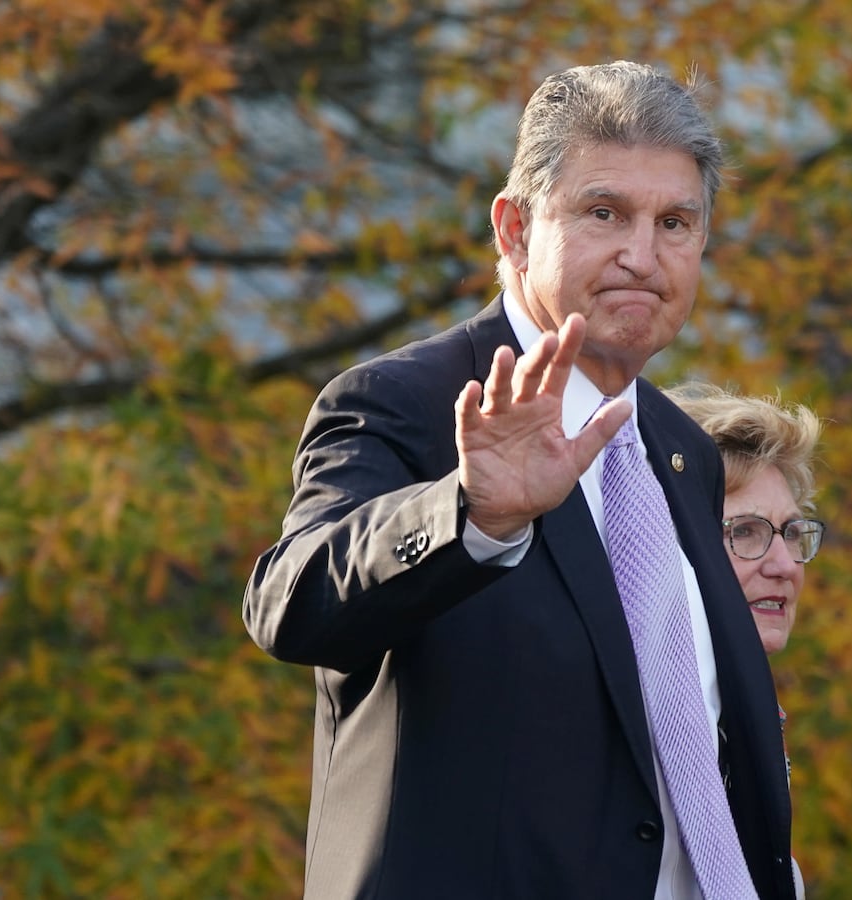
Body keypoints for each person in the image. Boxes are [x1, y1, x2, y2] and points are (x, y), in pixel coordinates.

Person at [243, 62, 794, 899]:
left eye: (675, 222)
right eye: (604, 213)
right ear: (513, 228)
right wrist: (472, 513)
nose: (641, 256)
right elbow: (288, 605)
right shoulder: (409, 403)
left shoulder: (682, 449)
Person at [667, 383, 823, 900]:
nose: (783, 566)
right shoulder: (618, 724)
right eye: (746, 533)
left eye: (792, 532)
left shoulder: (745, 724)